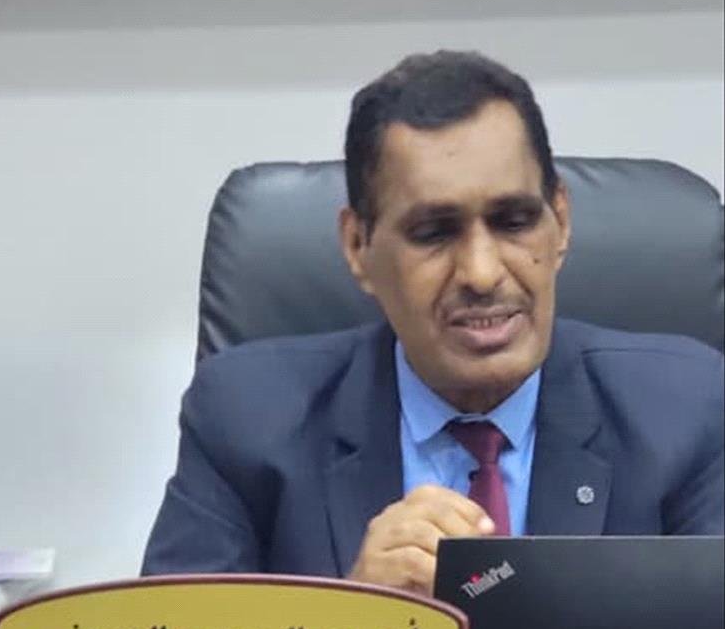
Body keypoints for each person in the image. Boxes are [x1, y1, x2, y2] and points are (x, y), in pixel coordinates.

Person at [142, 51, 724, 595]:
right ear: (358, 246)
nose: (481, 273)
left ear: (562, 222)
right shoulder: (244, 418)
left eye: (514, 221)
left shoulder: (686, 409)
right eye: (433, 233)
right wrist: (354, 621)